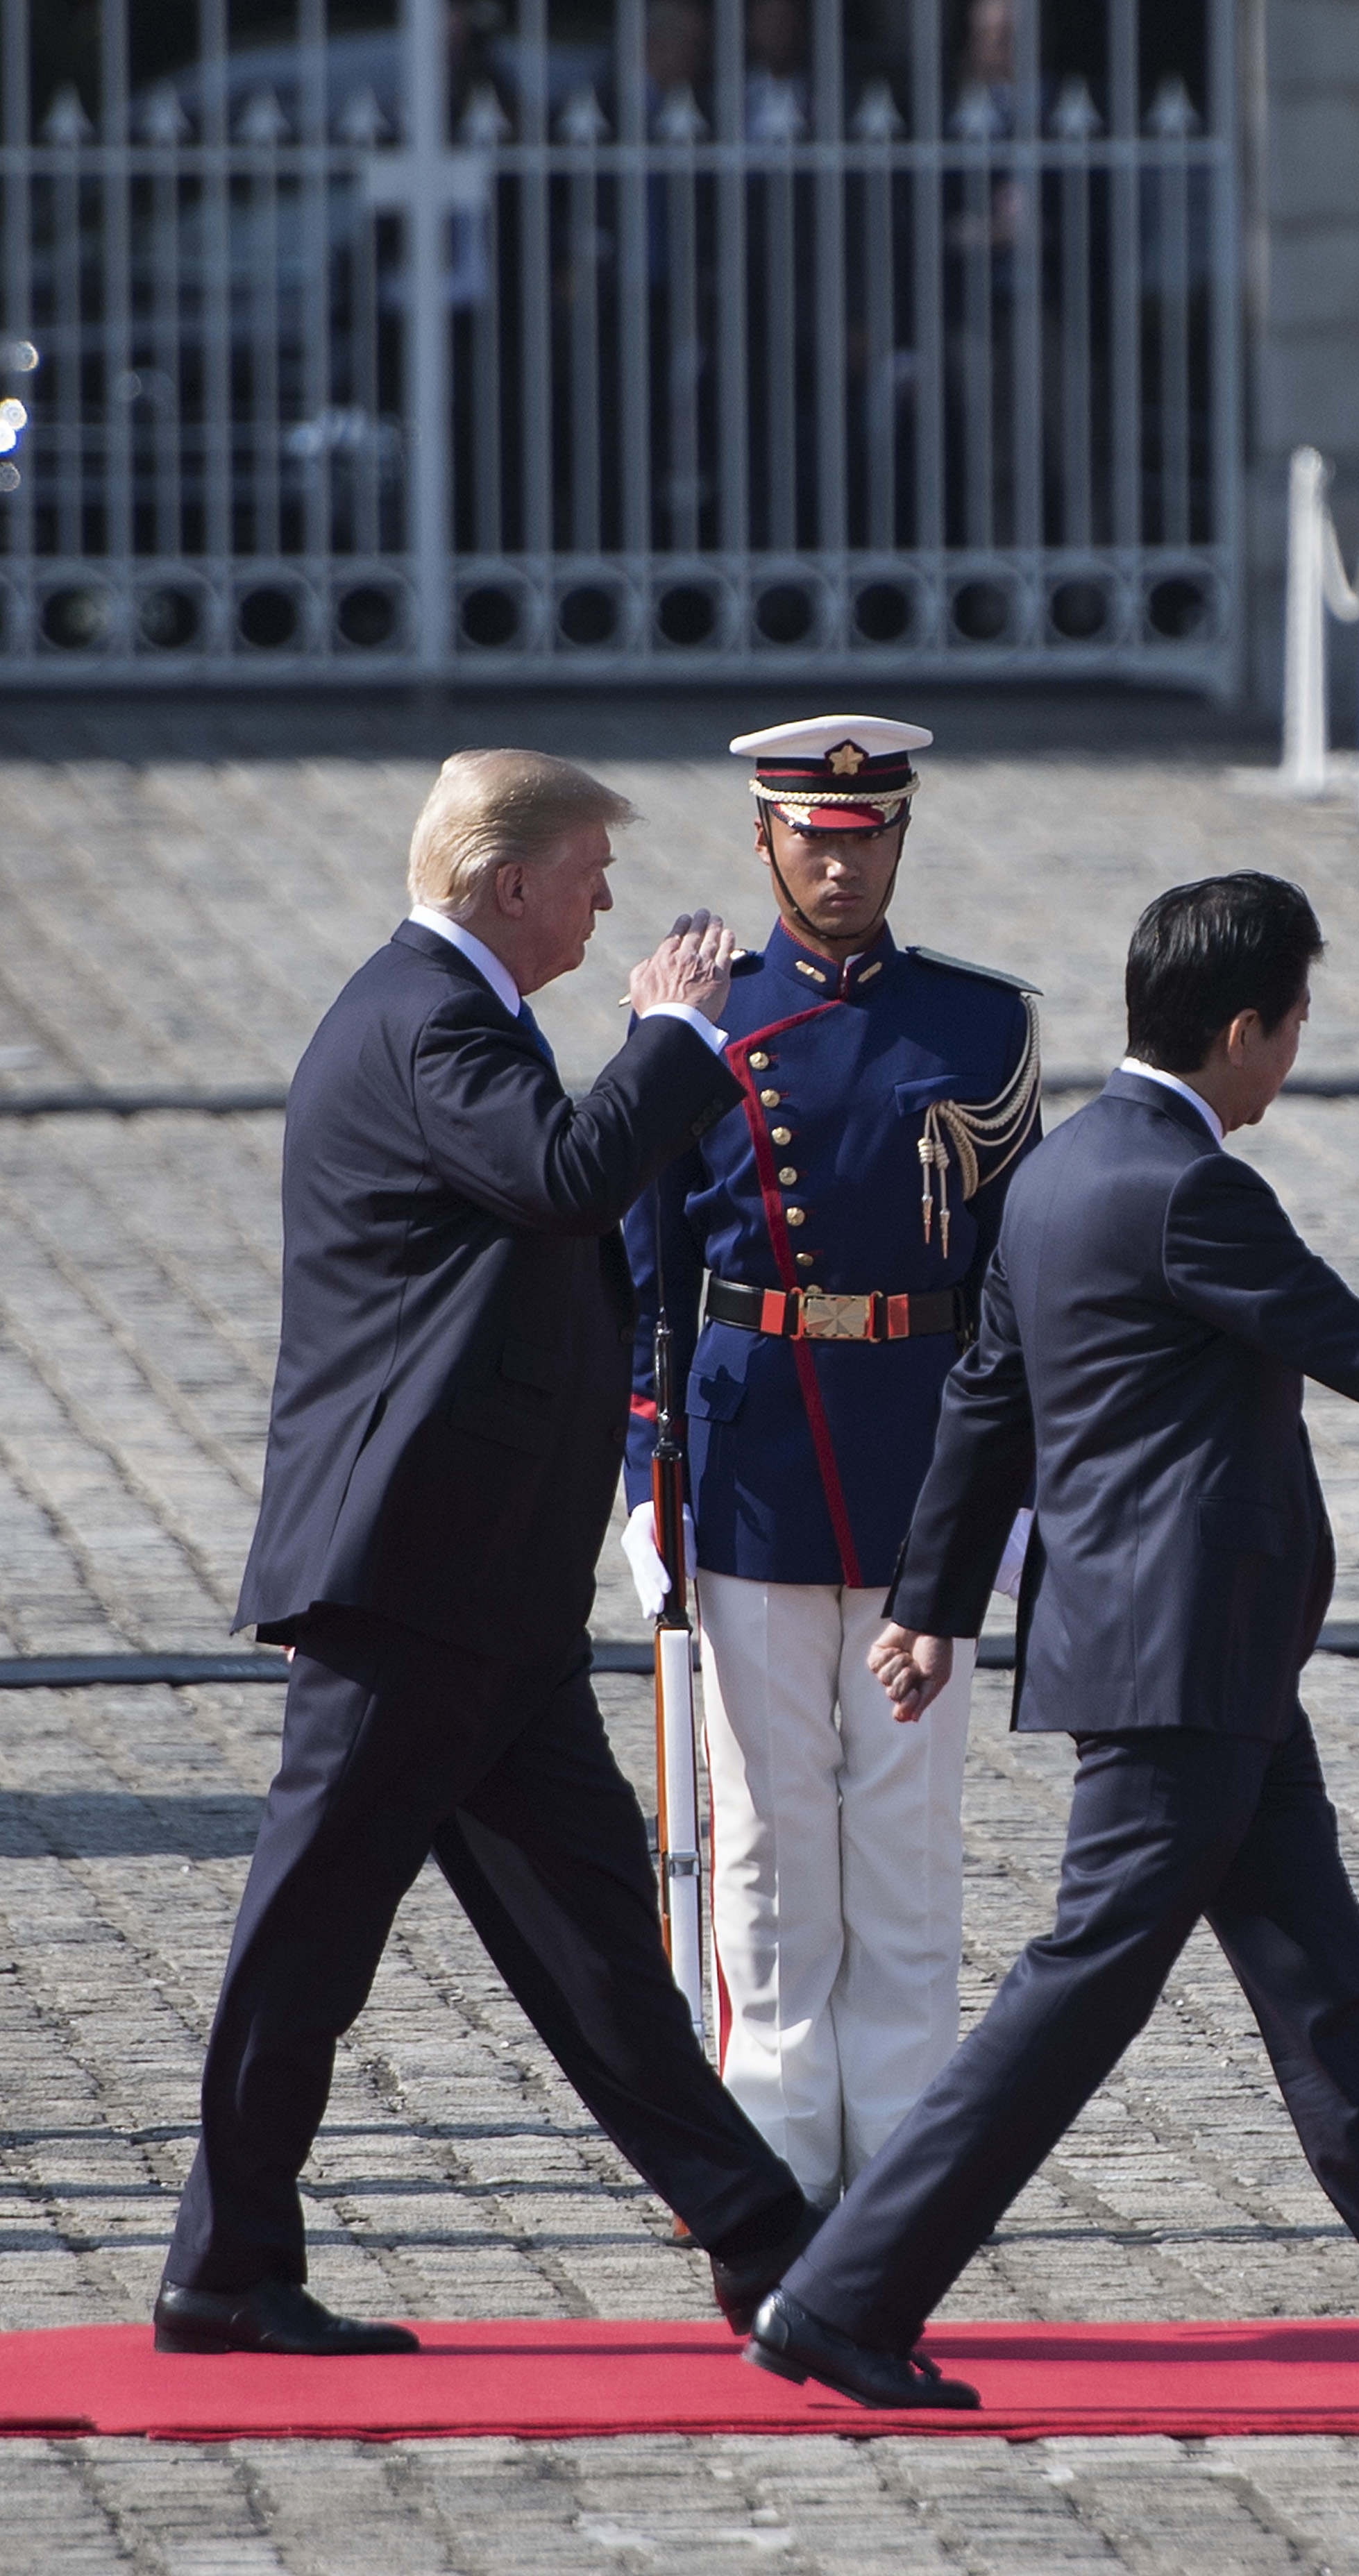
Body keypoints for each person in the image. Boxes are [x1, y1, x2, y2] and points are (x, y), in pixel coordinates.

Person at [748, 872, 1359, 2411]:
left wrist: (931, 1603)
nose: (1293, 1054)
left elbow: (985, 1398)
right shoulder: (1190, 1187)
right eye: (1292, 1026)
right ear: (1241, 1029)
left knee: (1320, 1984)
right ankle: (840, 2293)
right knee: (1077, 1992)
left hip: (1206, 1662)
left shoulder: (1061, 1167)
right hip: (1180, 1667)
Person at [165, 750, 818, 2357]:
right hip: (413, 1578)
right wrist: (674, 1027)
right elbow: (566, 1174)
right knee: (307, 1934)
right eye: (589, 867)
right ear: (508, 880)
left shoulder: (458, 1014)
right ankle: (224, 2267)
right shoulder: (426, 1015)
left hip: (488, 1586)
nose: (609, 896)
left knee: (592, 1934)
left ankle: (761, 2234)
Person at [616, 716, 1040, 2213]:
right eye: (812, 837)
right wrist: (639, 1477)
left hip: (922, 1457)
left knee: (911, 1835)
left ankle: (909, 2157)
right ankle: (778, 2146)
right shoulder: (703, 1022)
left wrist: (1015, 1486)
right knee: (773, 1828)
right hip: (750, 1458)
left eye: (864, 839)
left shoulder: (982, 1030)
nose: (839, 862)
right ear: (762, 839)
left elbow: (1012, 1284)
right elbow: (643, 1270)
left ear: (900, 840)